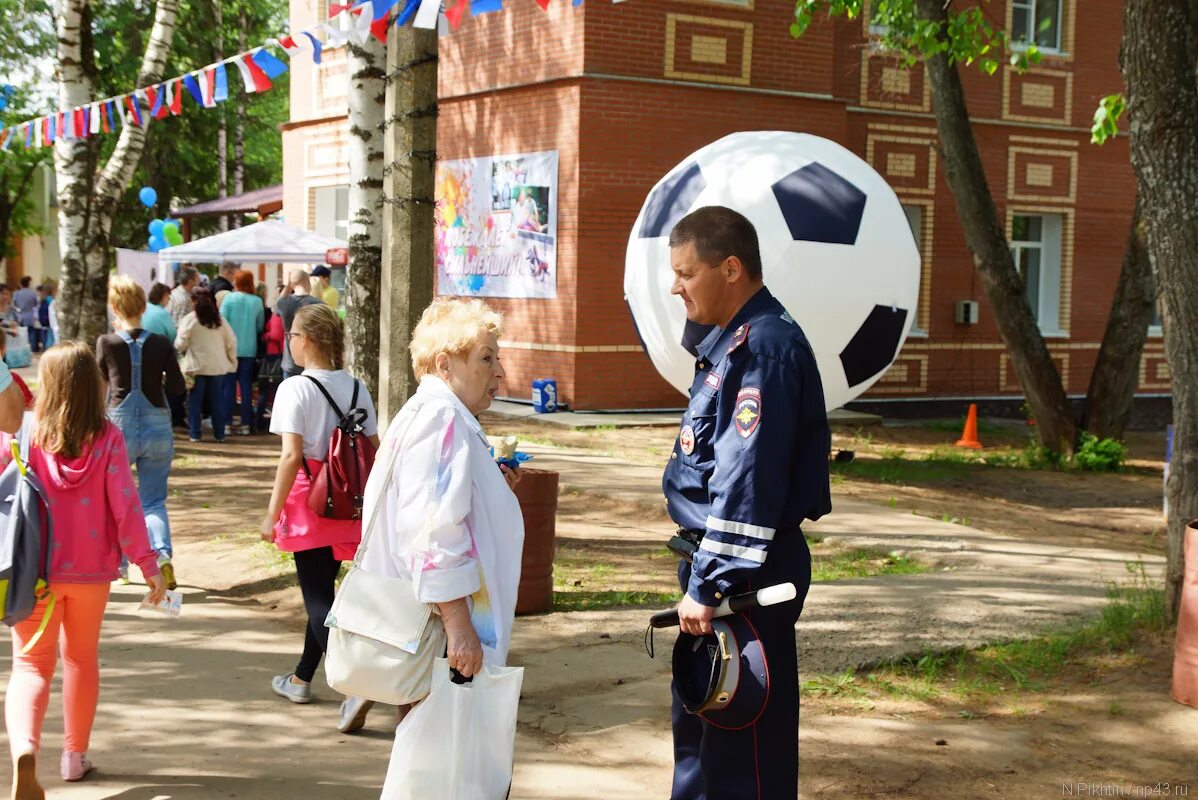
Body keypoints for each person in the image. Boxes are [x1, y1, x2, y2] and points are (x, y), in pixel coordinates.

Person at [660, 206, 830, 800]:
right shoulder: (730, 343)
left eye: (686, 273)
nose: (674, 286)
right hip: (717, 573)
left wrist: (708, 585)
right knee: (703, 749)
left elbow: (746, 482)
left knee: (742, 763)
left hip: (744, 579)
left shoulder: (764, 350)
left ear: (731, 268)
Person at [349, 297, 524, 741]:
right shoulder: (441, 419)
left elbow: (449, 509)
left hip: (434, 630)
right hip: (440, 635)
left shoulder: (432, 414)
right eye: (487, 358)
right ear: (445, 365)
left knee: (434, 762)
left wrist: (494, 491)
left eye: (497, 358)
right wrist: (458, 624)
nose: (499, 372)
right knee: (442, 764)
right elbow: (432, 529)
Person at [1, 342, 166, 797]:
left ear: (46, 385)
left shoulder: (23, 432)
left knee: (30, 665)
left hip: (33, 571)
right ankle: (74, 757)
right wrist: (149, 565)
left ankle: (25, 751)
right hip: (91, 574)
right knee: (79, 659)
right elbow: (127, 507)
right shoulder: (108, 436)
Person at [261, 304, 379, 710]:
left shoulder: (293, 389)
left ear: (306, 340)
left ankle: (354, 686)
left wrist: (271, 513)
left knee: (317, 598)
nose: (289, 341)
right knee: (323, 590)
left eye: (292, 334)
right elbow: (374, 448)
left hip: (309, 497)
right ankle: (300, 678)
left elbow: (291, 455)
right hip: (349, 497)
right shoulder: (356, 387)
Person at [96, 275, 186, 590]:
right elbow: (177, 387)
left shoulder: (106, 343)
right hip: (157, 422)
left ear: (114, 307)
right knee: (153, 500)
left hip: (119, 423)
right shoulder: (161, 343)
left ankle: (118, 566)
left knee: (113, 499)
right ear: (142, 306)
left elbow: (98, 387)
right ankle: (161, 556)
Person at [175, 287, 236, 443]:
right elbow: (231, 342)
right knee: (217, 402)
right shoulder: (220, 320)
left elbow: (180, 343)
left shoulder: (189, 319)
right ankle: (219, 434)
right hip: (217, 367)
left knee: (194, 402)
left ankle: (195, 433)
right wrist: (232, 361)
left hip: (195, 367)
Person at [219, 270, 264, 436]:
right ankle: (246, 423)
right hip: (249, 349)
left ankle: (227, 423)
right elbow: (259, 325)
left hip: (230, 349)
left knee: (228, 387)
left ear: (236, 282)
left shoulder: (229, 299)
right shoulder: (257, 301)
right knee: (246, 387)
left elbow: (221, 322)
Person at [274, 269, 322, 380]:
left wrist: (287, 288)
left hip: (289, 358)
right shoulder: (317, 304)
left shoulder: (283, 303)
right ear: (308, 282)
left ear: (291, 284)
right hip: (312, 359)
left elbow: (275, 308)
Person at [255, 286, 284, 433]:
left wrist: (265, 336)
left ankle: (261, 421)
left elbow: (276, 335)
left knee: (265, 389)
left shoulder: (277, 314)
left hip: (273, 355)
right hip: (278, 354)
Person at [12, 277, 40, 353]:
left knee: (21, 334)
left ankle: (22, 350)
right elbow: (36, 303)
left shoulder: (17, 293)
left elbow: (14, 304)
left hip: (20, 316)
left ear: (21, 284)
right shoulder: (33, 293)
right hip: (31, 316)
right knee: (32, 334)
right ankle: (33, 350)